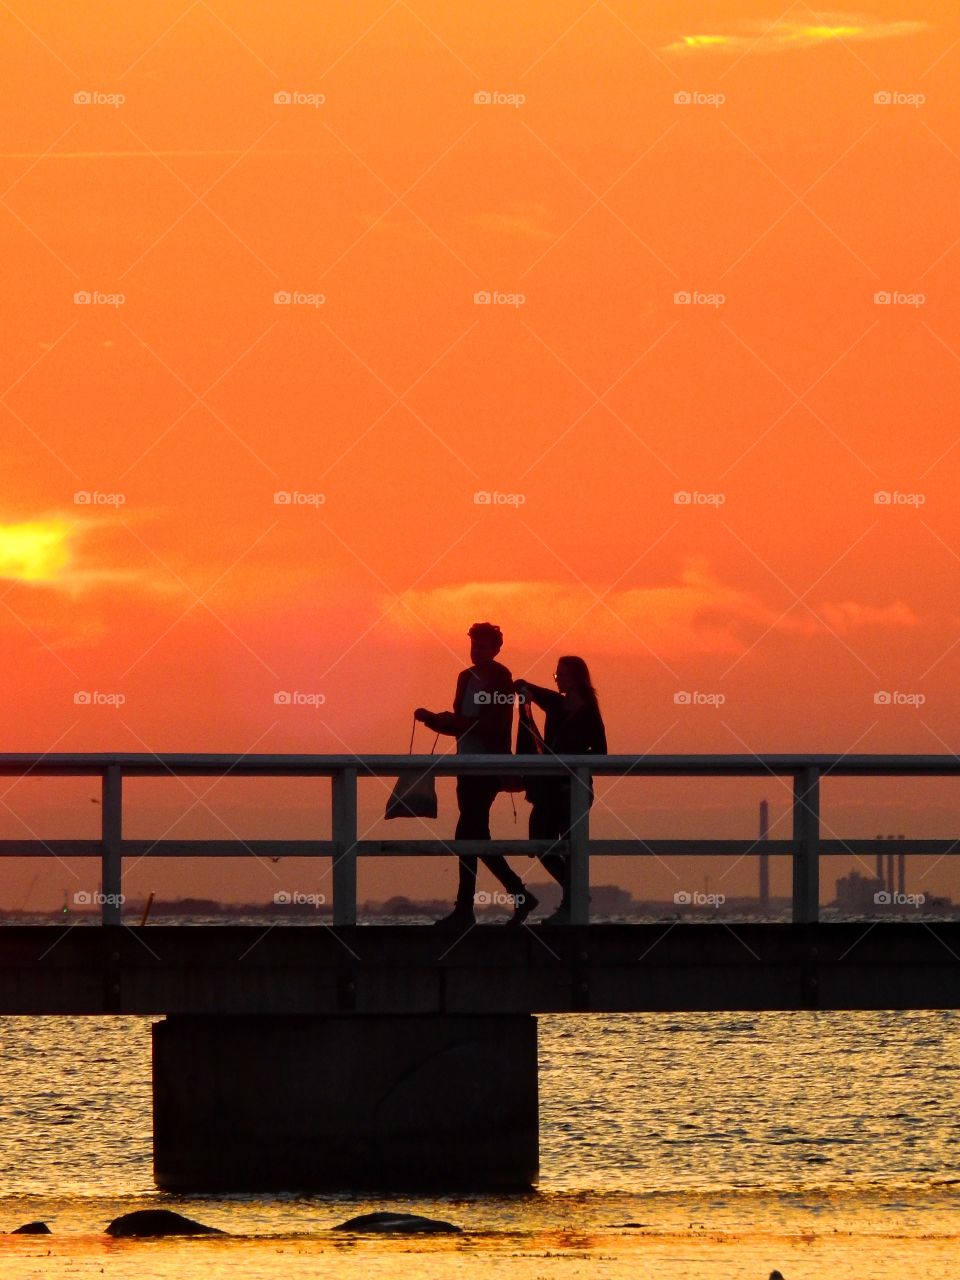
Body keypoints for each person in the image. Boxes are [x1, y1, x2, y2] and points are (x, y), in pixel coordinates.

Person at [414, 622, 536, 928]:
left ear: (496, 650)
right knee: (475, 835)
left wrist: (453, 720)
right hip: (465, 767)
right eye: (474, 645)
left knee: (467, 834)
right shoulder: (464, 678)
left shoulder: (500, 678)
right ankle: (516, 895)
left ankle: (468, 908)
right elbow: (463, 724)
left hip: (488, 767)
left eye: (483, 647)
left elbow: (493, 725)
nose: (477, 651)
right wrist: (433, 720)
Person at [514, 656, 607, 925]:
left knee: (570, 845)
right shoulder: (555, 703)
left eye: (562, 675)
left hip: (574, 789)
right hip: (549, 789)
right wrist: (522, 690)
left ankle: (571, 903)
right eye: (556, 676)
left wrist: (574, 757)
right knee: (540, 842)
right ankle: (576, 893)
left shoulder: (589, 711)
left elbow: (601, 752)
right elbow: (527, 687)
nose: (559, 680)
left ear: (577, 677)